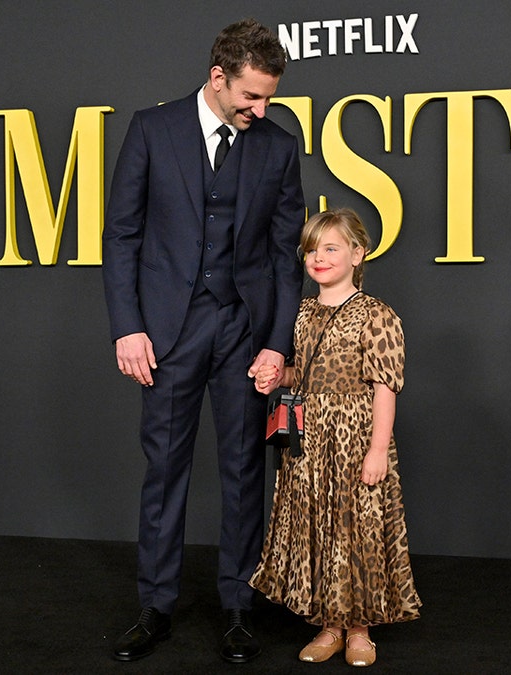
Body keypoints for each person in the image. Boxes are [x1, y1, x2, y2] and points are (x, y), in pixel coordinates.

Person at [102, 18, 305, 663]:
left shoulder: (277, 146)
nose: (260, 109)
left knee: (246, 469)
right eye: (251, 96)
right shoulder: (151, 130)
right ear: (218, 78)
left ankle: (239, 607)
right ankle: (156, 606)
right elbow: (121, 237)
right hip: (167, 331)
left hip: (243, 330)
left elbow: (283, 256)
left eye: (269, 98)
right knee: (165, 468)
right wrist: (128, 326)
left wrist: (278, 343)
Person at [249, 208, 421, 667]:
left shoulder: (378, 315)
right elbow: (299, 373)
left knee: (355, 529)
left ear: (357, 254)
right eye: (311, 250)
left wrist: (378, 449)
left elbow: (385, 386)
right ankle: (329, 625)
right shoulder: (301, 312)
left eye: (330, 248)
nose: (318, 258)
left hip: (355, 439)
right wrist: (275, 377)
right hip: (308, 442)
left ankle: (360, 629)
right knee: (318, 527)